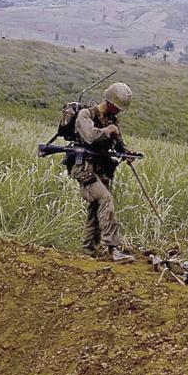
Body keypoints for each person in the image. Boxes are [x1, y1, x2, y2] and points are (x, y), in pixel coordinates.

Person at [67, 82, 138, 262]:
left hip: (100, 168)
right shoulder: (86, 115)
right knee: (105, 200)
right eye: (118, 107)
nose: (119, 111)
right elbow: (90, 137)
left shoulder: (112, 120)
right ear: (109, 101)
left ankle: (88, 250)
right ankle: (113, 249)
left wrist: (126, 152)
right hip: (84, 169)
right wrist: (107, 131)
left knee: (95, 208)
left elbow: (118, 141)